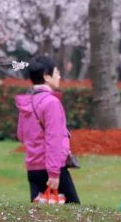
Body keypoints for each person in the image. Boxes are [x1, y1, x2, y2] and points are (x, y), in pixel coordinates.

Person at [15, 56, 80, 204]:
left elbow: (21, 135)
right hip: (52, 170)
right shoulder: (51, 103)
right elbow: (54, 139)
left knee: (39, 215)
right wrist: (54, 173)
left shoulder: (27, 101)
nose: (59, 76)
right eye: (56, 72)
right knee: (74, 212)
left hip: (33, 169)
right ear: (46, 76)